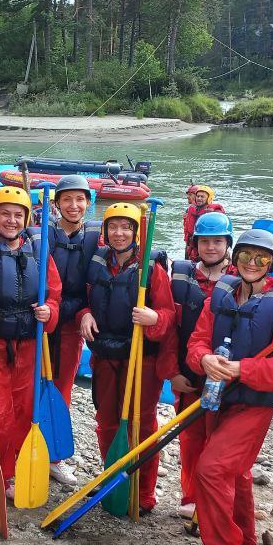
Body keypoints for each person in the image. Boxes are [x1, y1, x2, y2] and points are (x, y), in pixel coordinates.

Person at [185, 229, 273, 545]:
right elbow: (197, 341)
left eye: (261, 258)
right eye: (245, 256)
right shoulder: (221, 296)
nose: (252, 263)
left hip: (253, 404)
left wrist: (243, 369)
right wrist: (204, 359)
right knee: (234, 470)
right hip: (217, 398)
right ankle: (246, 539)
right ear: (234, 258)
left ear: (272, 263)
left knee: (212, 469)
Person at [0, 186, 62, 499]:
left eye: (18, 214)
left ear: (26, 218)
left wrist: (50, 311)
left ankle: (11, 471)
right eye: (5, 213)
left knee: (23, 413)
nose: (11, 220)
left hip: (28, 345)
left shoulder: (38, 248)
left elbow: (54, 293)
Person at [78, 201, 175, 513]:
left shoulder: (152, 269)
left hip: (141, 358)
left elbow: (168, 315)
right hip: (106, 356)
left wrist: (154, 318)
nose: (119, 233)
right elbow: (84, 300)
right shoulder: (97, 263)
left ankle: (144, 492)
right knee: (107, 421)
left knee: (141, 425)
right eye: (113, 227)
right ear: (105, 231)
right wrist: (84, 313)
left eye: (126, 227)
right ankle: (113, 480)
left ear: (136, 232)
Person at [161, 210, 235, 519]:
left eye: (218, 241)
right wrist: (172, 374)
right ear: (195, 245)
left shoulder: (243, 278)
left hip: (227, 377)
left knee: (222, 443)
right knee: (191, 439)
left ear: (228, 244)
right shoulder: (181, 277)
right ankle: (191, 496)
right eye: (205, 241)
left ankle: (221, 501)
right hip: (189, 374)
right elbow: (170, 331)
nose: (211, 247)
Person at [43, 174, 99, 484]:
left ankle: (54, 457)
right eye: (67, 199)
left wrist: (87, 312)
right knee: (32, 388)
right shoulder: (43, 232)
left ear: (88, 203)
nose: (73, 205)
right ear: (57, 204)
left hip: (71, 325)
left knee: (62, 389)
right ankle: (28, 448)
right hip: (41, 323)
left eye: (79, 199)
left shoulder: (96, 237)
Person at [182, 185, 225, 259]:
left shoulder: (215, 212)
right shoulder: (191, 209)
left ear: (208, 198)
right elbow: (187, 228)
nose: (199, 198)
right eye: (198, 196)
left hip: (204, 244)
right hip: (191, 244)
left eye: (202, 197)